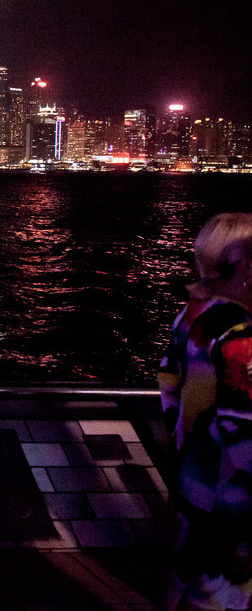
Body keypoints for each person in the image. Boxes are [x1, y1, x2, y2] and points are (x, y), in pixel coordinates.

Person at [159, 212, 252, 611]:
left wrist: (183, 442)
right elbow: (242, 430)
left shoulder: (193, 315)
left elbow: (168, 381)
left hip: (189, 477)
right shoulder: (241, 338)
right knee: (223, 594)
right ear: (247, 264)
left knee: (186, 576)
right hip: (229, 498)